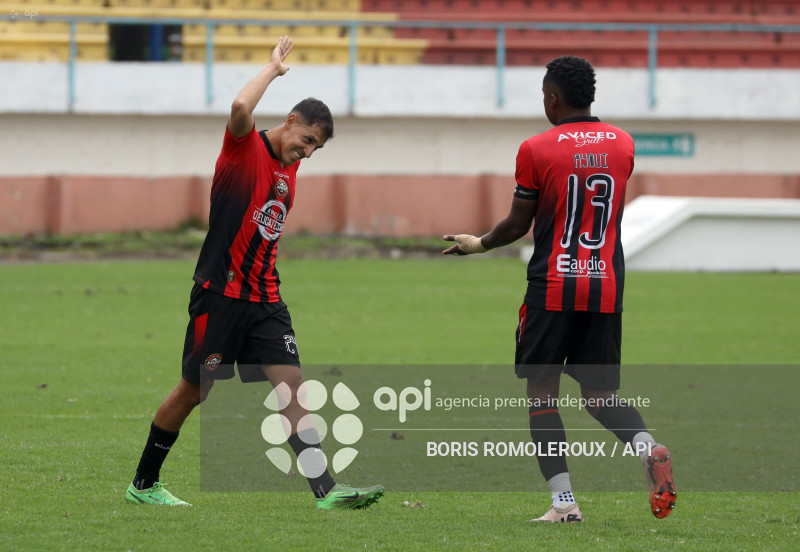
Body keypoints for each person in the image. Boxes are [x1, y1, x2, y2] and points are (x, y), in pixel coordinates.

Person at [126, 36, 384, 510]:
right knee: (193, 391)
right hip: (220, 296)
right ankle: (143, 484)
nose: (307, 153)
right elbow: (241, 103)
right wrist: (273, 70)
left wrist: (300, 154)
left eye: (316, 149)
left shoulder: (289, 166)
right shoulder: (243, 149)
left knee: (292, 386)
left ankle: (326, 491)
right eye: (306, 140)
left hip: (265, 298)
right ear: (289, 122)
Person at [442, 55, 675, 523]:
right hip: (605, 286)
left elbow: (517, 224)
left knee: (542, 395)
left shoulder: (536, 149)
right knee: (600, 397)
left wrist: (480, 243)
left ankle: (564, 505)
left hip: (552, 287)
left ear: (552, 97)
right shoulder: (623, 144)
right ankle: (649, 448)